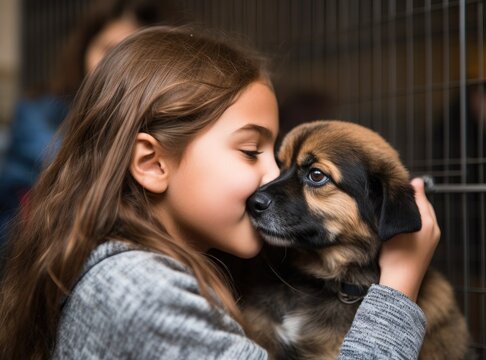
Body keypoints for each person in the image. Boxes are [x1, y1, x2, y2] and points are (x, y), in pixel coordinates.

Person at [0, 27, 440, 359]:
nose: (271, 176)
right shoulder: (143, 291)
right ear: (153, 163)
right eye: (252, 151)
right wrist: (399, 289)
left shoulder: (129, 266)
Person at [0, 0, 180, 243]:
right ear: (85, 49)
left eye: (132, 55)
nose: (116, 66)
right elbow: (76, 173)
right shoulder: (40, 112)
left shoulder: (160, 123)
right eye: (108, 50)